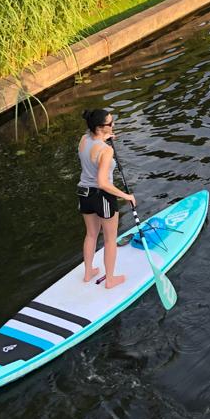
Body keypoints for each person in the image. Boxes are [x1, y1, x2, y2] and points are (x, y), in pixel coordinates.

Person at [77, 109, 136, 289]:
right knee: (110, 239)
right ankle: (109, 280)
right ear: (100, 127)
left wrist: (105, 138)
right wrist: (127, 196)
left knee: (91, 234)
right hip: (102, 196)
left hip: (83, 194)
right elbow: (102, 183)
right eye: (110, 124)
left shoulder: (83, 139)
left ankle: (88, 273)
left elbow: (92, 150)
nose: (113, 125)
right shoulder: (106, 151)